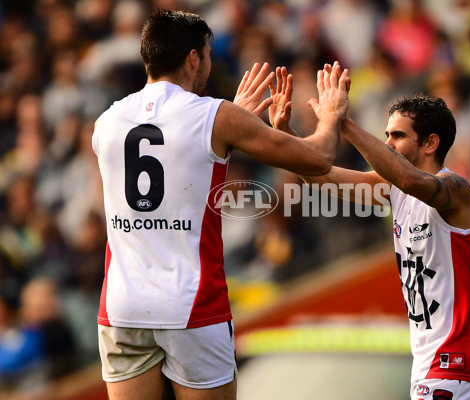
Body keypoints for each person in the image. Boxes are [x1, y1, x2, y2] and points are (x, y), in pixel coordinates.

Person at [91, 9, 349, 400]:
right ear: (194, 57)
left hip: (121, 307)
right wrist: (330, 117)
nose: (209, 66)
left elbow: (174, 160)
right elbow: (318, 160)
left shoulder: (106, 122)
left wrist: (231, 120)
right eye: (208, 56)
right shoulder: (215, 116)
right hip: (190, 304)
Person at [267, 66, 470, 400]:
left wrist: (342, 122)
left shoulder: (456, 189)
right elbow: (321, 176)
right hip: (431, 363)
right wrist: (284, 133)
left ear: (431, 143)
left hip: (457, 361)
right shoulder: (394, 189)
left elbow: (410, 179)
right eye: (387, 134)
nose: (387, 143)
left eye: (398, 136)